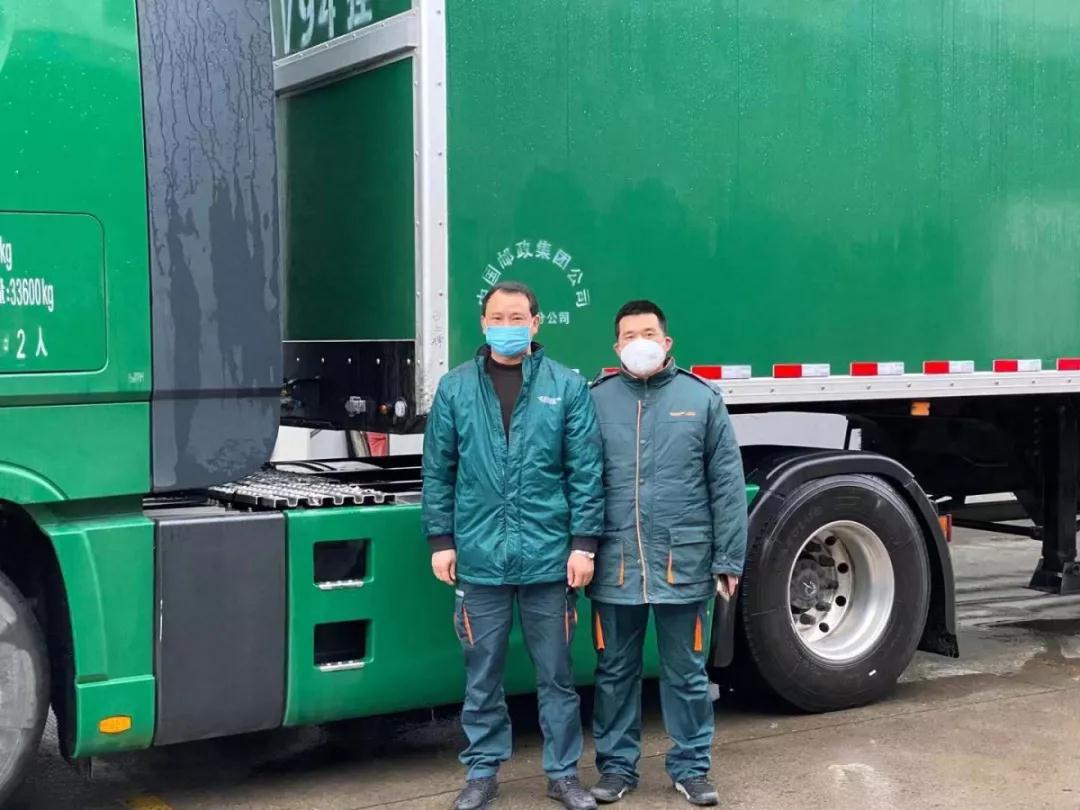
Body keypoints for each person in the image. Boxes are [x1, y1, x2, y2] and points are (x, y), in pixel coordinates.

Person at [422, 280, 604, 810]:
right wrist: (441, 539)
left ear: (535, 323)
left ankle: (563, 774)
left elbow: (585, 472)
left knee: (557, 677)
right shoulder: (455, 388)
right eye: (497, 317)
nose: (507, 326)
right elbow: (438, 470)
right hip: (479, 558)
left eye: (517, 317)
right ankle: (482, 772)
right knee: (482, 677)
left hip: (549, 559)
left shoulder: (566, 386)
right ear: (483, 323)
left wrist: (583, 545)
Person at [586, 300, 747, 807]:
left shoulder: (701, 399)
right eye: (629, 335)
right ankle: (616, 768)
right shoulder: (595, 400)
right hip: (615, 565)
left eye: (648, 333)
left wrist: (729, 559)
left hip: (684, 564)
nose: (640, 343)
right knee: (614, 674)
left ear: (666, 340)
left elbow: (727, 485)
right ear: (616, 346)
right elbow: (578, 482)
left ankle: (691, 767)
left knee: (687, 674)